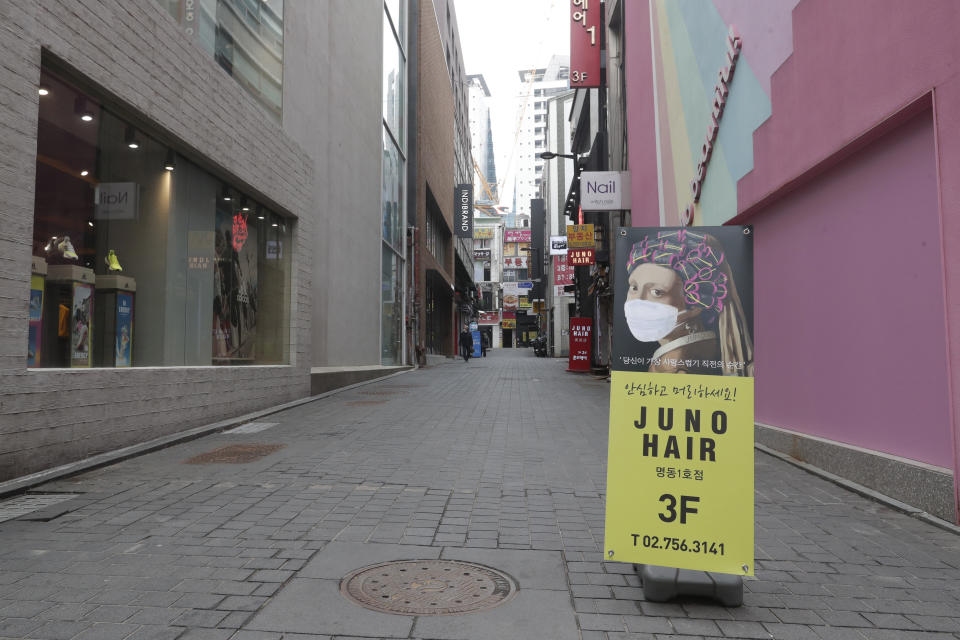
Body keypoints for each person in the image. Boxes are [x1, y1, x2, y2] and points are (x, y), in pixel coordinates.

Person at [623, 229, 753, 376]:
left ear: (696, 306)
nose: (638, 301)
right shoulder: (711, 348)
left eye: (656, 292)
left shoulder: (676, 370)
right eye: (634, 287)